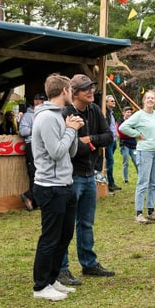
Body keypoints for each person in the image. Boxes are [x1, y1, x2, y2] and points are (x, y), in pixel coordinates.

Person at [31, 74, 84, 301]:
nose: (73, 93)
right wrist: (70, 130)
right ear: (64, 90)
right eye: (71, 89)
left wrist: (73, 130)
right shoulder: (46, 118)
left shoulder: (61, 116)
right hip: (50, 187)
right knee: (50, 237)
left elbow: (70, 153)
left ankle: (53, 279)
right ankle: (41, 286)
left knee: (64, 236)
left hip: (65, 183)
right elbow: (55, 152)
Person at [59, 74, 114, 283]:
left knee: (86, 223)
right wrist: (85, 146)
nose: (91, 91)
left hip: (90, 175)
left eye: (91, 87)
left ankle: (89, 264)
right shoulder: (66, 113)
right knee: (66, 225)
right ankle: (62, 268)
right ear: (74, 93)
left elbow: (108, 137)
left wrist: (89, 139)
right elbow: (67, 149)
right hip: (71, 176)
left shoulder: (94, 110)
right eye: (85, 89)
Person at [118, 90, 155, 223]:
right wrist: (137, 134)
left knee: (154, 182)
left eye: (153, 98)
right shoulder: (139, 115)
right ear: (144, 101)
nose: (150, 100)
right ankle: (139, 213)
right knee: (143, 182)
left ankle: (151, 210)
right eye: (148, 98)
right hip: (145, 151)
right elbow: (123, 127)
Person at [18, 93, 48, 211]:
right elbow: (23, 131)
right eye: (36, 100)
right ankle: (30, 197)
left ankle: (33, 199)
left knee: (42, 172)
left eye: (40, 100)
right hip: (32, 145)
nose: (38, 102)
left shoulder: (46, 114)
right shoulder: (27, 115)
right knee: (34, 172)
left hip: (44, 145)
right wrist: (37, 130)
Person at [117, 106, 138, 186]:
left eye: (130, 112)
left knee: (136, 161)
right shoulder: (120, 121)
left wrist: (131, 133)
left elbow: (136, 131)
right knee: (125, 161)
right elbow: (121, 133)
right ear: (124, 113)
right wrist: (131, 133)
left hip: (133, 144)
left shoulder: (133, 122)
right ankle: (126, 179)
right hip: (124, 144)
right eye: (127, 112)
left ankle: (140, 178)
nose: (129, 113)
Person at [104, 95, 120, 191]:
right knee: (110, 162)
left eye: (114, 100)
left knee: (109, 162)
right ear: (106, 103)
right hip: (108, 141)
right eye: (111, 101)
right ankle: (110, 183)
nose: (114, 102)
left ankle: (109, 181)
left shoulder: (112, 114)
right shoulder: (105, 114)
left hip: (114, 141)